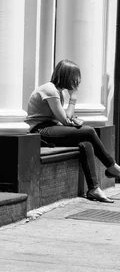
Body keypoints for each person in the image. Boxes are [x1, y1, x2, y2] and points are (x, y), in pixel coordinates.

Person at [26, 59, 120, 203]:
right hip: (40, 131)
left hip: (51, 127)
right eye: (76, 77)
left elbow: (66, 118)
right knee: (88, 131)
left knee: (86, 142)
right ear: (67, 76)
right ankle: (112, 166)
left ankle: (94, 189)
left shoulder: (58, 92)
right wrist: (73, 98)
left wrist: (70, 106)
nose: (79, 81)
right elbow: (65, 120)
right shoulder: (50, 90)